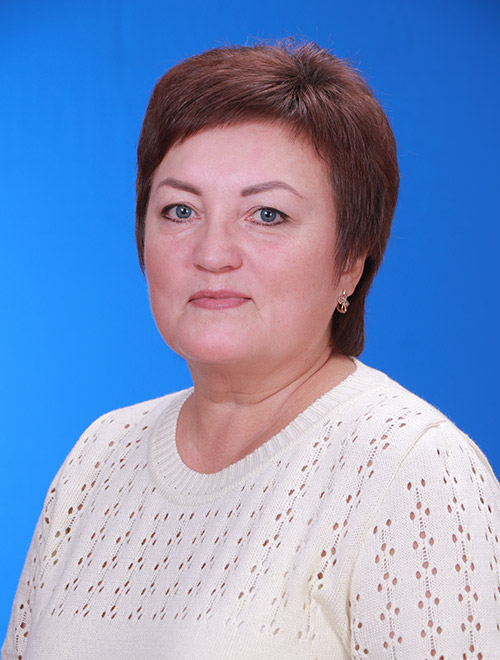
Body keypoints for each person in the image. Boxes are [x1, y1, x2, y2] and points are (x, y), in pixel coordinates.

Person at [3, 41, 500, 660]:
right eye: (180, 210)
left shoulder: (412, 469)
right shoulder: (99, 457)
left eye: (266, 215)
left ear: (351, 260)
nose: (212, 254)